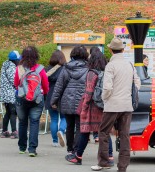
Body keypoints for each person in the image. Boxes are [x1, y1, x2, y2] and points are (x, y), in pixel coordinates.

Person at [92, 37, 140, 172]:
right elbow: (137, 83)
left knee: (103, 132)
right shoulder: (129, 65)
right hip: (126, 105)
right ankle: (123, 167)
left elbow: (107, 88)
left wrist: (105, 99)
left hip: (112, 105)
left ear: (110, 50)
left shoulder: (110, 66)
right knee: (124, 135)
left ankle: (104, 161)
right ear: (123, 50)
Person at [69, 47, 113, 165]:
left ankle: (78, 156)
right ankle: (110, 157)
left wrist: (84, 107)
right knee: (105, 132)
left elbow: (88, 92)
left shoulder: (91, 73)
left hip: (92, 107)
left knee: (84, 131)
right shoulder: (106, 73)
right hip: (104, 106)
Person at [52, 45, 89, 159]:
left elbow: (59, 86)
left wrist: (54, 100)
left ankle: (69, 149)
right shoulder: (88, 69)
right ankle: (77, 150)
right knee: (79, 127)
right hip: (82, 101)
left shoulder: (66, 68)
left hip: (67, 100)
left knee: (69, 126)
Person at [14, 45, 49, 157]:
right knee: (34, 123)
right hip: (37, 99)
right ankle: (32, 149)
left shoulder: (19, 68)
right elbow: (45, 86)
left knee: (22, 122)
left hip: (21, 99)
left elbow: (16, 84)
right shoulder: (40, 69)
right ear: (36, 55)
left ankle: (22, 147)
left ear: (22, 56)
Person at [46, 50, 67, 147]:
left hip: (50, 96)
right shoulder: (65, 69)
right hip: (63, 96)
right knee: (64, 117)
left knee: (54, 119)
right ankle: (61, 131)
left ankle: (54, 141)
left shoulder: (47, 70)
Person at [0, 50, 20, 139]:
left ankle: (4, 131)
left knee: (7, 112)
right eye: (18, 59)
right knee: (13, 112)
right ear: (15, 60)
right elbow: (13, 81)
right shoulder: (11, 67)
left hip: (4, 93)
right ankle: (14, 131)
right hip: (10, 93)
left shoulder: (5, 65)